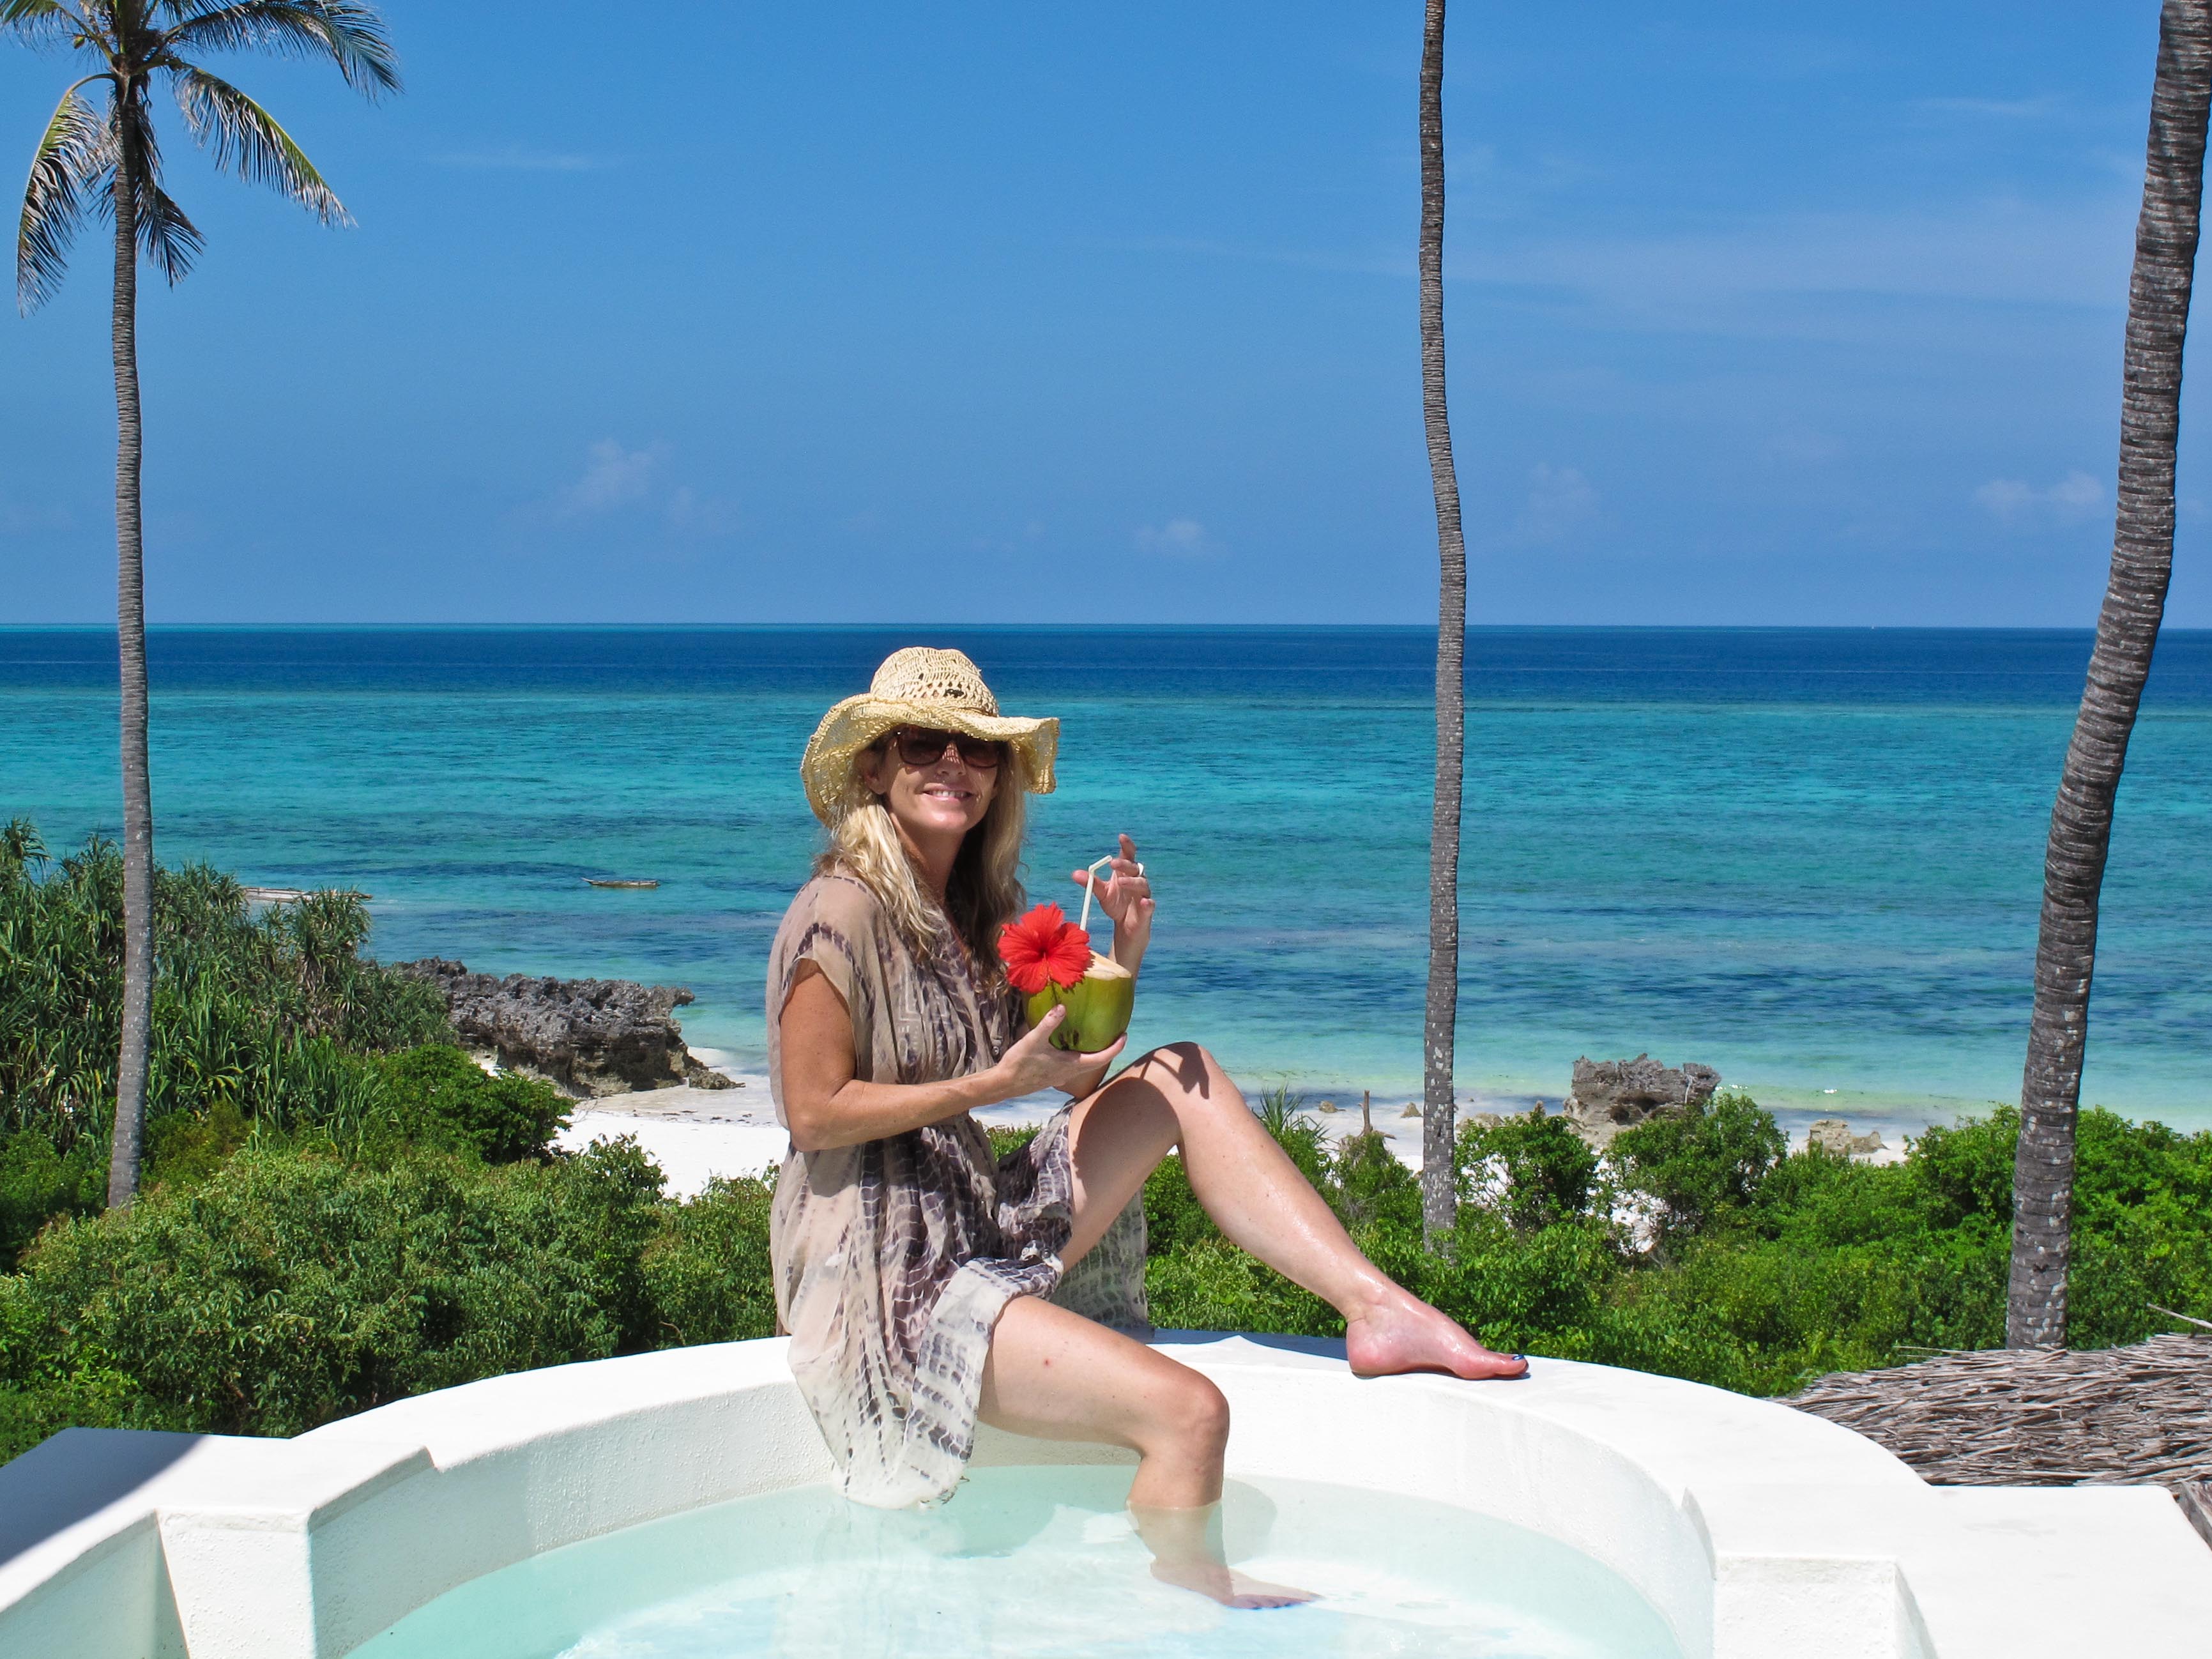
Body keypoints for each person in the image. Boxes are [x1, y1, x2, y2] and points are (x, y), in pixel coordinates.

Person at [768, 646, 1525, 1607]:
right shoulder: (839, 909)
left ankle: (1376, 1307)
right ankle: (1183, 1602)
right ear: (877, 767)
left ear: (999, 778)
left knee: (1180, 1075)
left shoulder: (967, 914)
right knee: (1192, 1412)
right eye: (925, 742)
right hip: (888, 1277)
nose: (954, 762)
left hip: (972, 1217)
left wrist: (1123, 952)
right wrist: (989, 1084)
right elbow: (813, 1113)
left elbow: (1075, 1068)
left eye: (978, 746)